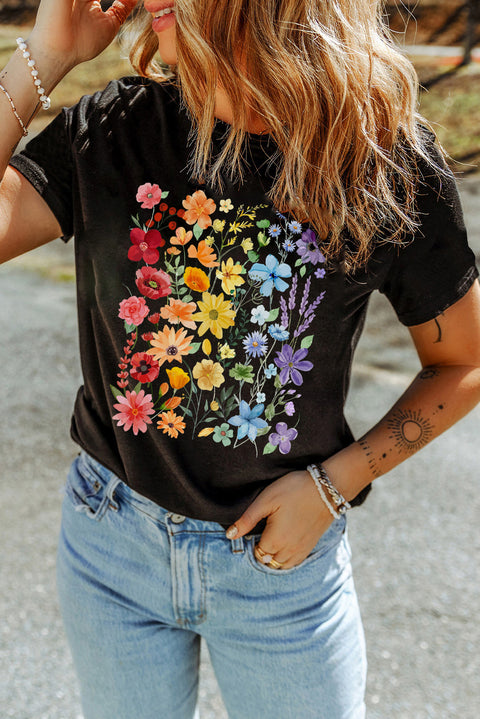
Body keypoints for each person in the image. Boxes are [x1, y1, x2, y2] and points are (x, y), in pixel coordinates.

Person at [1, 1, 479, 717]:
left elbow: (463, 362)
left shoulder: (383, 163)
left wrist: (336, 484)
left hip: (280, 573)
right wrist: (45, 55)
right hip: (112, 549)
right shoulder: (119, 126)